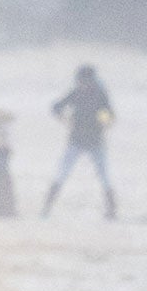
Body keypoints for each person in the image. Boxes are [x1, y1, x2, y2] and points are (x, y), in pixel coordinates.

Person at [41, 63, 117, 219]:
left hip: (93, 141)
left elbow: (108, 115)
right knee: (62, 173)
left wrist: (103, 120)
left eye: (82, 81)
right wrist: (64, 118)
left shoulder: (98, 95)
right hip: (78, 140)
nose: (81, 84)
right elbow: (56, 107)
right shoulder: (78, 93)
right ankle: (46, 208)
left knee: (104, 176)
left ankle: (111, 211)